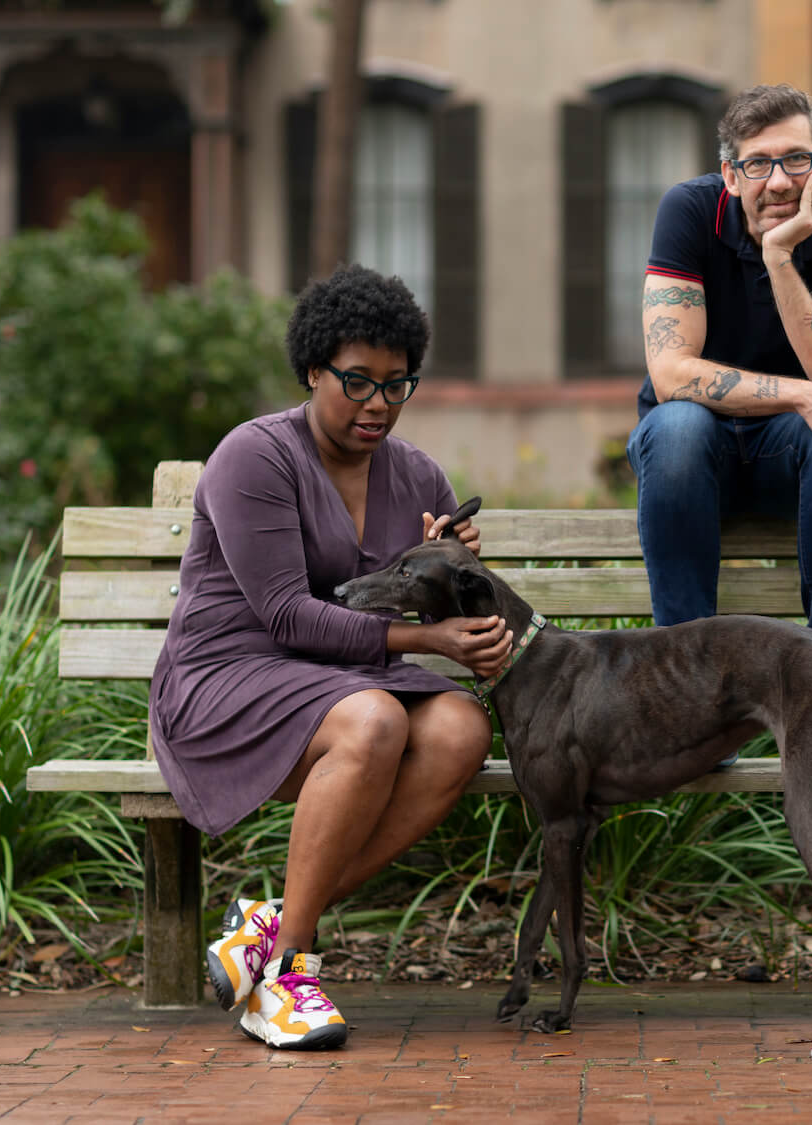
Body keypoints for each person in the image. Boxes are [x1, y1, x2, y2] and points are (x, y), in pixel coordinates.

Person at [148, 264, 513, 1050]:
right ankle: (287, 971)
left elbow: (423, 603)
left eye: (396, 384)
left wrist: (452, 567)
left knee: (460, 730)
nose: (378, 403)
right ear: (312, 369)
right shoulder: (255, 457)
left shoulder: (417, 474)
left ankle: (272, 922)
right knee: (376, 720)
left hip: (346, 679)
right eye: (356, 381)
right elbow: (284, 614)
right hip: (228, 674)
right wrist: (428, 640)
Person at [627, 83, 812, 692]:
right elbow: (671, 375)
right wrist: (800, 395)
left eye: (796, 159)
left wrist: (779, 258)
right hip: (688, 462)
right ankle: (690, 693)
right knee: (679, 425)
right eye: (757, 163)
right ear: (729, 174)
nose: (778, 182)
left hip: (797, 459)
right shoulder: (689, 211)